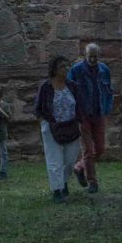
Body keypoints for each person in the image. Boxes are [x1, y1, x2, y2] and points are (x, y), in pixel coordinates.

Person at [35, 56, 82, 202]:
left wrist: (80, 120)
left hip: (71, 126)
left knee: (69, 159)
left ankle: (64, 181)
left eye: (67, 66)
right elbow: (38, 108)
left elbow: (79, 105)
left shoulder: (73, 86)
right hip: (51, 126)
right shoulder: (46, 87)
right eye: (63, 66)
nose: (66, 69)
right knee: (54, 159)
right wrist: (45, 123)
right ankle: (57, 190)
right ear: (54, 69)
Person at [69, 43, 114, 194]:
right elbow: (69, 92)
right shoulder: (76, 71)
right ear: (85, 55)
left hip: (99, 114)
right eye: (90, 57)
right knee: (88, 150)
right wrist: (75, 112)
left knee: (100, 149)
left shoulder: (104, 70)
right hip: (83, 116)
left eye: (96, 57)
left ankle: (79, 167)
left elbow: (109, 92)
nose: (93, 60)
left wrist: (107, 108)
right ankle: (93, 182)